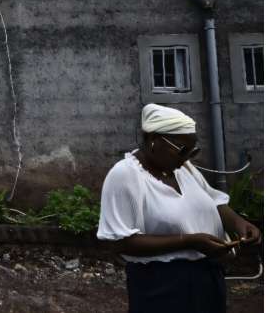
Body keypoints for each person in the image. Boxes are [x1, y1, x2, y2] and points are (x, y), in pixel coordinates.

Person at [97, 103, 261, 313]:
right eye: (182, 151)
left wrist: (239, 223)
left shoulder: (183, 169)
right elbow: (119, 242)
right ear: (153, 140)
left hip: (207, 278)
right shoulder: (125, 176)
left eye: (192, 151)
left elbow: (214, 201)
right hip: (161, 285)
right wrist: (190, 242)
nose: (187, 158)